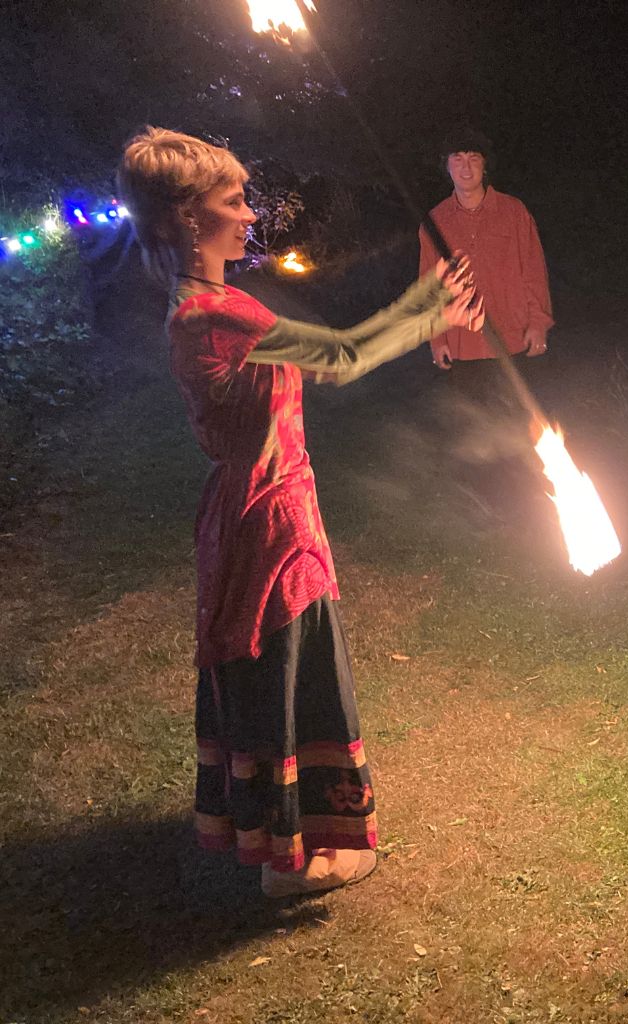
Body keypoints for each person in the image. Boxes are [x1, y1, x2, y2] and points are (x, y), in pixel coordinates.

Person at [117, 127, 483, 897]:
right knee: (294, 676)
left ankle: (282, 838)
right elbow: (343, 357)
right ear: (189, 217)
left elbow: (332, 359)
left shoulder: (205, 307)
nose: (250, 215)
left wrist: (428, 305)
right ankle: (295, 858)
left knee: (283, 677)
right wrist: (428, 311)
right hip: (270, 524)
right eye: (234, 201)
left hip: (259, 514)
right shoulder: (215, 314)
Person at [419, 127, 553, 369]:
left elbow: (534, 271)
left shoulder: (513, 212)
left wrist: (538, 323)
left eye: (473, 158)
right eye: (457, 159)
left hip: (515, 341)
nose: (466, 168)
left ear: (485, 165)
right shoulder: (435, 222)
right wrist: (437, 340)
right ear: (446, 166)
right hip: (462, 347)